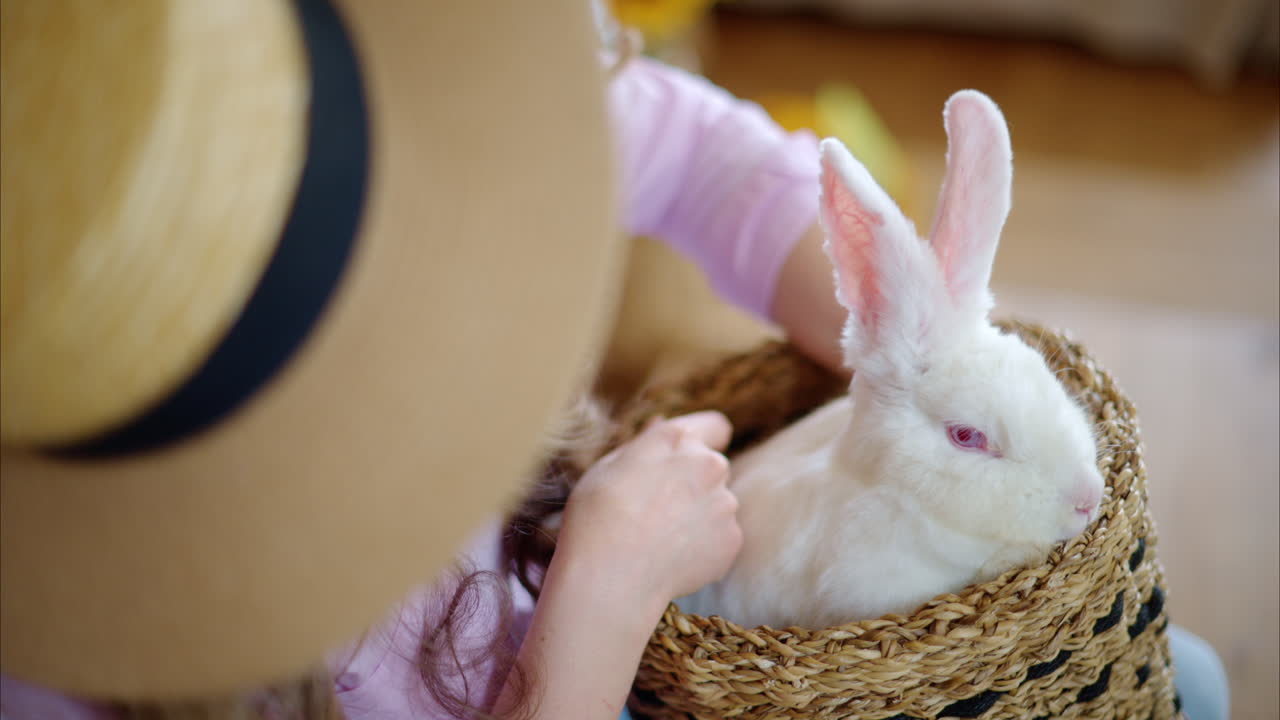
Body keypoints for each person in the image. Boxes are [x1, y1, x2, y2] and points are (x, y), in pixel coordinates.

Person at [0, 2, 1227, 719]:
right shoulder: (77, 672)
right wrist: (593, 612)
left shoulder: (305, 84)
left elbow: (687, 148)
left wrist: (901, 337)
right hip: (598, 650)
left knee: (1188, 676)